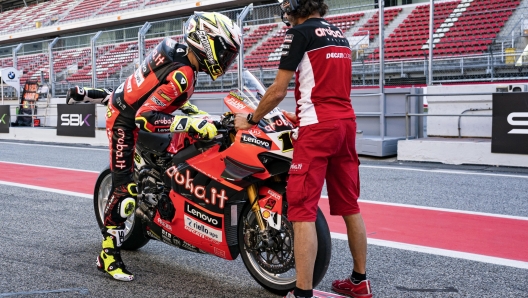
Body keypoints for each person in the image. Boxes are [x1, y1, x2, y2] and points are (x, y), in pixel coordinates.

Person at [234, 1, 372, 297]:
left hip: (318, 130)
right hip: (345, 124)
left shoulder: (299, 34)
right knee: (350, 207)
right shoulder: (339, 34)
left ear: (296, 6)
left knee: (302, 212)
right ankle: (360, 282)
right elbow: (327, 88)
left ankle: (303, 293)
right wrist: (303, 112)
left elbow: (277, 90)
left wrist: (251, 119)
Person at [95, 11, 241, 282]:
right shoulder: (183, 72)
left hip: (134, 106)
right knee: (125, 191)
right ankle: (107, 253)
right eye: (223, 51)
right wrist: (191, 123)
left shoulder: (182, 55)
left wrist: (194, 114)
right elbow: (145, 117)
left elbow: (160, 94)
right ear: (204, 41)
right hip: (125, 120)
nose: (225, 60)